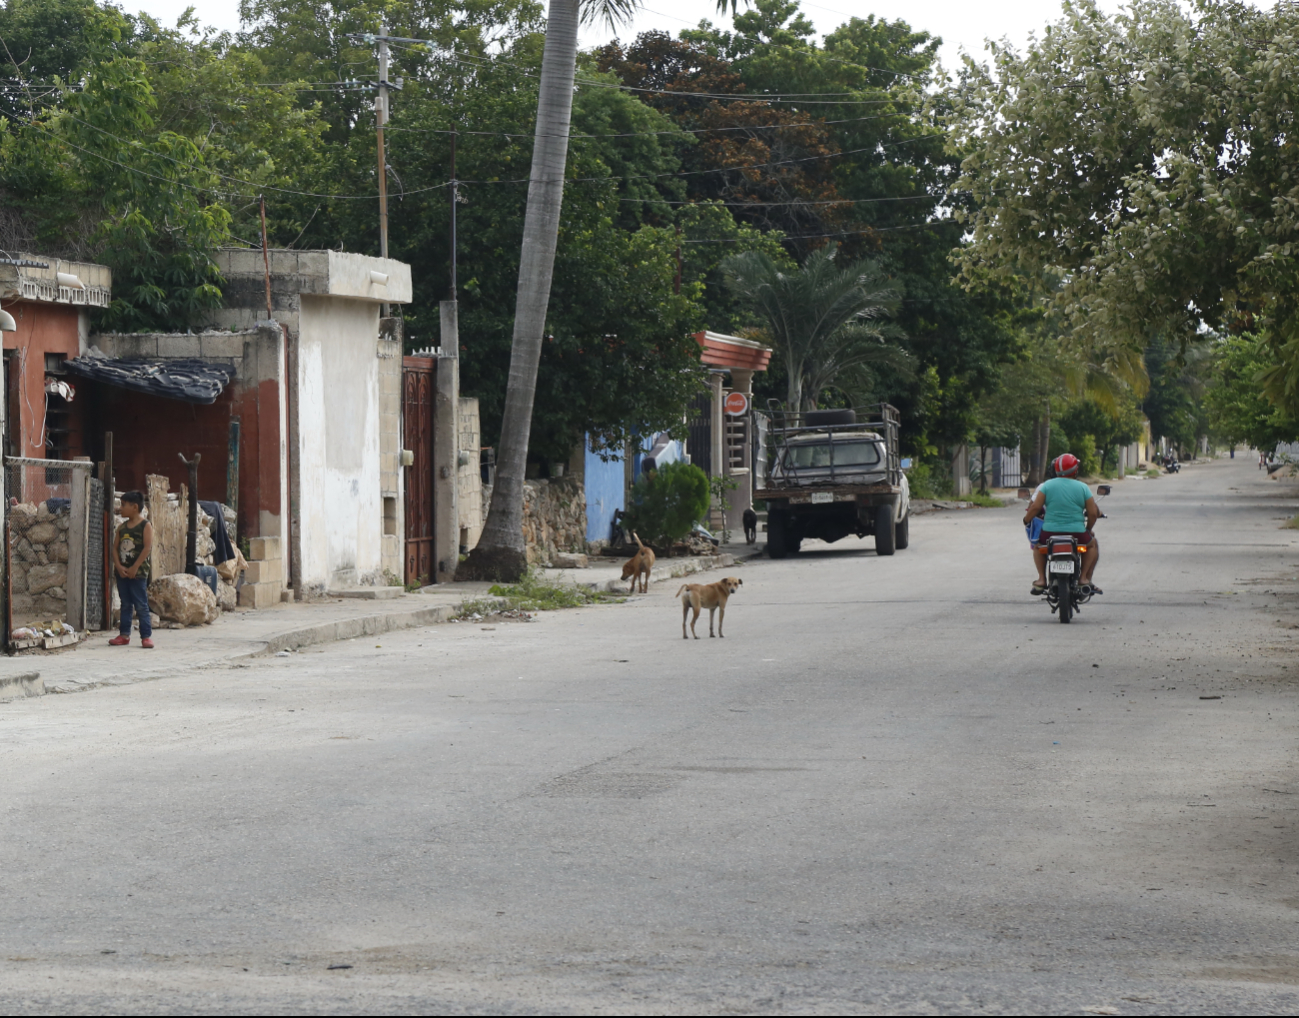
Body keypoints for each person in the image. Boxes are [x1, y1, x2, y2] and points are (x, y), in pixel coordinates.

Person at [1022, 453, 1102, 597]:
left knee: (1038, 547)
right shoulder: (1083, 488)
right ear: (1075, 470)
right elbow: (1092, 513)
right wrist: (1088, 529)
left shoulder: (1047, 486)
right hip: (1077, 533)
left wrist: (1026, 520)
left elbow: (1035, 507)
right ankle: (1083, 578)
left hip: (1049, 533)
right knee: (1092, 545)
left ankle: (1041, 579)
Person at [109, 490, 154, 648]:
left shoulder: (145, 525)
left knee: (141, 604)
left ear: (135, 507)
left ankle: (146, 636)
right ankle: (124, 635)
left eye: (123, 505)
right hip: (122, 573)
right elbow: (114, 549)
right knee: (125, 604)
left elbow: (147, 548)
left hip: (138, 574)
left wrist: (135, 567)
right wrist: (119, 567)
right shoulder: (122, 528)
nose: (121, 508)